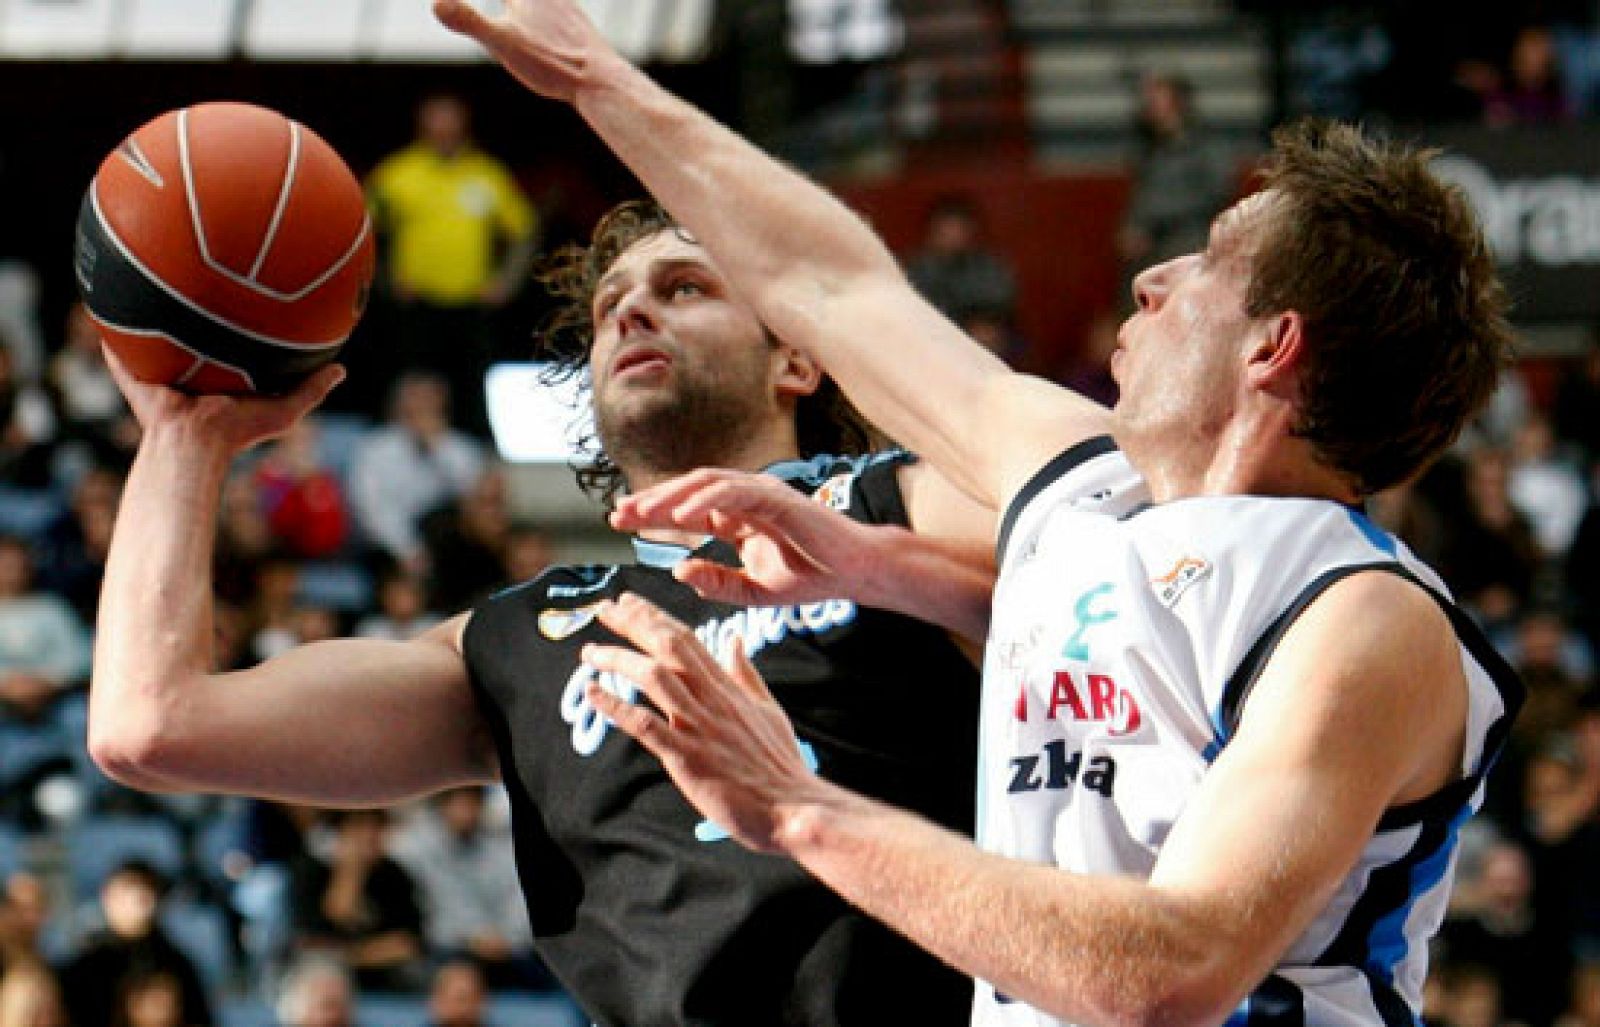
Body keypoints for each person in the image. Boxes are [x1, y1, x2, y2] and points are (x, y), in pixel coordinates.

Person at [429, 2, 1524, 1022]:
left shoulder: (1364, 621)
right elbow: (835, 286)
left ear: (1270, 347)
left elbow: (1169, 971)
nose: (1149, 274)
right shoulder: (1084, 495)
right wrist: (596, 77)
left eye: (1208, 262)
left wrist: (791, 806)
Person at [88, 189, 997, 1022]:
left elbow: (1096, 538)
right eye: (610, 309)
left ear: (794, 359)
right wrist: (182, 438)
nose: (633, 310)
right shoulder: (523, 637)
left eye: (685, 288)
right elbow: (150, 724)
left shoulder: (897, 505)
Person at [366, 93, 539, 437]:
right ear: (422, 125)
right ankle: (400, 447)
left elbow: (524, 230)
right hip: (416, 304)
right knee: (411, 382)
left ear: (463, 125)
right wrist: (384, 278)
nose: (443, 129)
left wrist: (506, 280)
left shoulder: (487, 175)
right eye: (436, 120)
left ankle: (475, 459)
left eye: (450, 120)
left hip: (469, 304)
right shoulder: (397, 174)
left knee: (472, 387)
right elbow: (359, 229)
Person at [59, 860, 214, 1027]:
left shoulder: (178, 966)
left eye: (146, 892)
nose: (138, 901)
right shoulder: (82, 969)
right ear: (106, 896)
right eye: (127, 891)